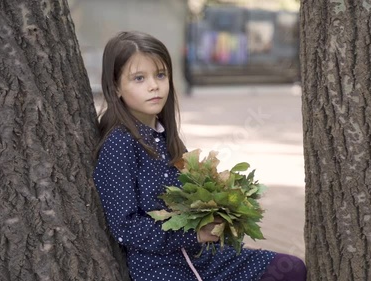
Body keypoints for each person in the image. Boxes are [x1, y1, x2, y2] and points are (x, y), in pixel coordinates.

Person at [93, 31, 306, 281]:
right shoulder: (119, 143)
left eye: (160, 75)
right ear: (116, 87)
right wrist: (192, 234)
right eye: (139, 78)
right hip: (160, 267)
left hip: (204, 257)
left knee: (290, 269)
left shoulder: (166, 137)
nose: (154, 85)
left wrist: (219, 212)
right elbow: (125, 226)